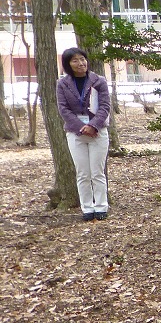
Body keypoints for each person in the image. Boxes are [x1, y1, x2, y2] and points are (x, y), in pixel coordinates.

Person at [56, 47, 111, 222]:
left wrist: (93, 125)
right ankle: (87, 208)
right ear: (68, 64)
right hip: (75, 132)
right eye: (75, 61)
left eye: (82, 59)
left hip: (98, 131)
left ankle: (101, 207)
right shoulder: (62, 84)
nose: (80, 63)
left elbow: (104, 106)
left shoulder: (99, 81)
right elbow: (63, 109)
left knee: (97, 172)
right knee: (82, 173)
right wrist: (81, 127)